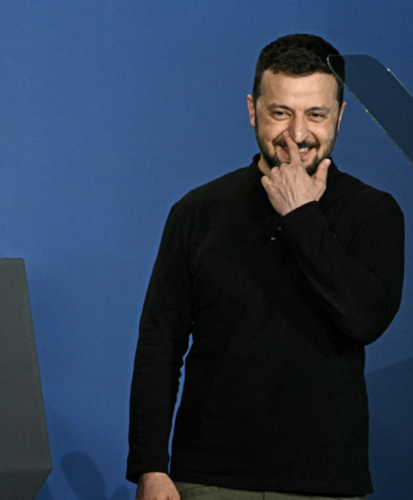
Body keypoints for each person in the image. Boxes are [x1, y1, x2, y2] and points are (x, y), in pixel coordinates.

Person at [127, 34, 404, 500]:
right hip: (208, 480)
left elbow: (365, 319)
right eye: (281, 113)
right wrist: (150, 466)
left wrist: (301, 217)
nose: (297, 134)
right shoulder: (198, 211)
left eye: (315, 114)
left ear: (339, 114)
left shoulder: (374, 213)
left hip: (325, 484)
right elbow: (160, 342)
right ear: (253, 110)